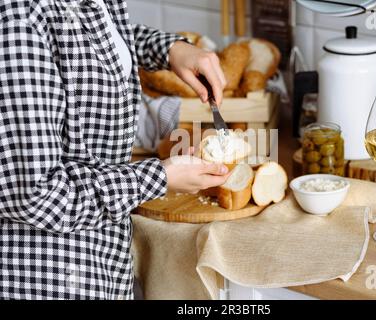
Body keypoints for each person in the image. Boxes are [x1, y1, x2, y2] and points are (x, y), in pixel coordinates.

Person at [0, 0, 229, 299]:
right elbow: (34, 195)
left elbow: (80, 36)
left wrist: (168, 48)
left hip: (103, 260)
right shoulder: (18, 19)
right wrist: (157, 178)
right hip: (48, 279)